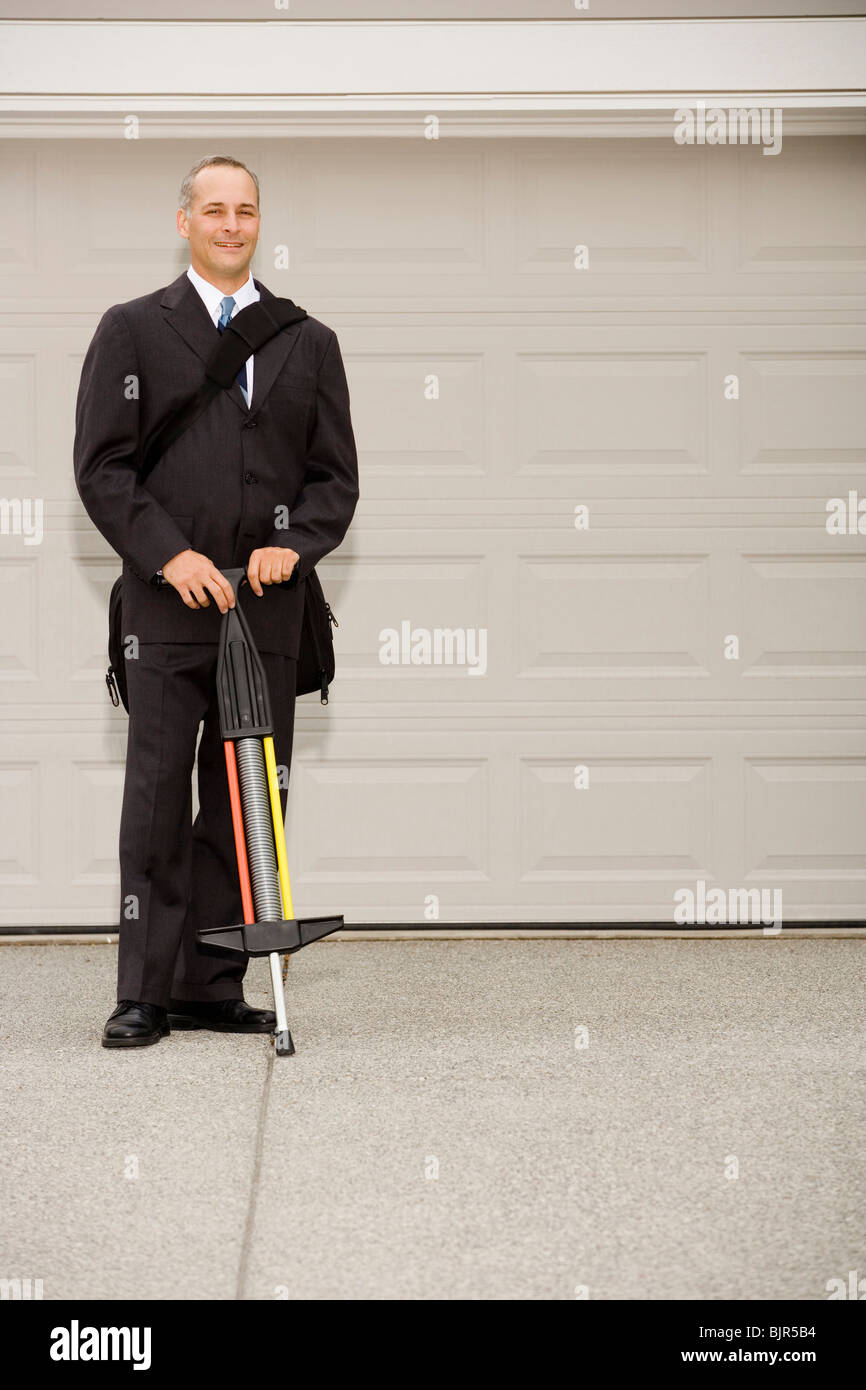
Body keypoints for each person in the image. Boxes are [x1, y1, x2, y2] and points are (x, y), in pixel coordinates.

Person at [74, 155, 359, 1048]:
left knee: (246, 806)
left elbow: (333, 481)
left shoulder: (307, 340)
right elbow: (103, 469)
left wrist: (294, 544)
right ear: (184, 221)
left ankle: (209, 982)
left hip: (267, 613)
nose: (232, 225)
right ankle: (143, 992)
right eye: (215, 210)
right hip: (165, 613)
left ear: (259, 221)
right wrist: (169, 557)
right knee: (155, 801)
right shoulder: (131, 330)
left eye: (246, 211)